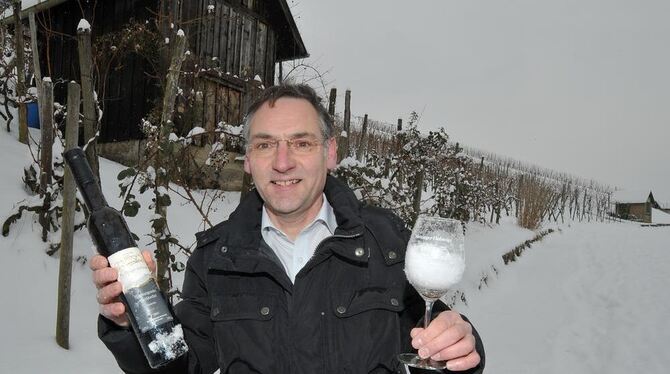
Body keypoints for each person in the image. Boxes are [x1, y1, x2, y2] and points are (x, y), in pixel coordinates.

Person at [92, 84, 485, 373]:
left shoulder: (387, 242)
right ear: (248, 159)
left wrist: (461, 344)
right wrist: (131, 324)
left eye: (300, 143)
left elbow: (436, 341)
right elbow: (178, 366)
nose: (282, 162)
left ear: (330, 153)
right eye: (265, 145)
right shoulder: (215, 260)